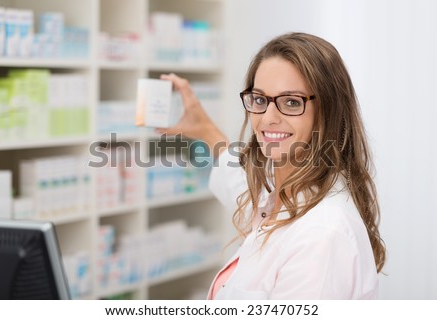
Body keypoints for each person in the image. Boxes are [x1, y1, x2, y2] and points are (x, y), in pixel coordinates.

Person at [157, 32, 386, 299]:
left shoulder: (321, 236)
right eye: (260, 99)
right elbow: (243, 193)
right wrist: (207, 132)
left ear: (327, 111)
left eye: (291, 102)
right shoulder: (281, 197)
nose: (268, 118)